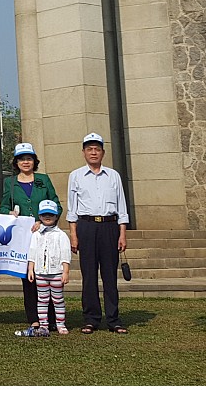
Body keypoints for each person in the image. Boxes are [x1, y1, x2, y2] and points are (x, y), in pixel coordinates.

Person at [66, 132, 129, 334]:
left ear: (103, 152)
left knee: (110, 275)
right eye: (89, 149)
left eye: (97, 149)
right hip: (87, 226)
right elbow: (72, 209)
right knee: (89, 275)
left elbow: (121, 207)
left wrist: (122, 233)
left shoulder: (113, 176)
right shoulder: (75, 176)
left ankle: (114, 319)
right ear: (84, 152)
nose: (93, 153)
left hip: (109, 227)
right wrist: (73, 235)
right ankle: (91, 318)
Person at [0, 142, 60, 330]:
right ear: (16, 162)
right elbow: (3, 206)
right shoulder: (10, 182)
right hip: (23, 237)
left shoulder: (44, 179)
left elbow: (56, 204)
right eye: (21, 159)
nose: (25, 162)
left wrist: (45, 221)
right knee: (29, 277)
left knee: (47, 274)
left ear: (34, 161)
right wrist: (8, 214)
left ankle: (51, 317)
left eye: (29, 158)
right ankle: (34, 317)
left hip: (44, 235)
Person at [17, 199, 72, 337]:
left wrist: (65, 271)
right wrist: (31, 269)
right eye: (44, 214)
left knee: (58, 299)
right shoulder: (36, 235)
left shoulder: (61, 235)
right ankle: (44, 325)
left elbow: (65, 254)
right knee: (42, 300)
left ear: (56, 216)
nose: (48, 217)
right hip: (40, 273)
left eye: (51, 215)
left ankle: (60, 324)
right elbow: (32, 252)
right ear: (40, 216)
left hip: (56, 273)